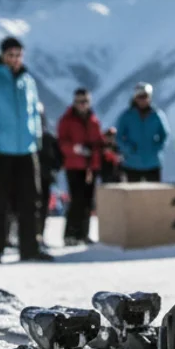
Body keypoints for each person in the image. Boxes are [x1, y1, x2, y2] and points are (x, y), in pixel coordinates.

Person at [0, 36, 51, 264]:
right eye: (10, 55)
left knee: (31, 200)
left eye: (18, 55)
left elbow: (35, 114)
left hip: (27, 150)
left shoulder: (28, 80)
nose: (15, 60)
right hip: (1, 150)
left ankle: (30, 247)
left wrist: (37, 141)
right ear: (2, 55)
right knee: (0, 201)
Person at [58, 88, 104, 245]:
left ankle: (83, 233)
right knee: (76, 200)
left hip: (91, 167)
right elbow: (61, 142)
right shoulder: (67, 120)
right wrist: (76, 149)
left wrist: (96, 153)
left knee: (88, 201)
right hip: (74, 165)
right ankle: (70, 234)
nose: (82, 105)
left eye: (85, 101)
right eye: (79, 101)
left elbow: (99, 141)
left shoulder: (93, 120)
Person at [116, 83, 169, 182]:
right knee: (133, 196)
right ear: (135, 98)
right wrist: (128, 149)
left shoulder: (157, 115)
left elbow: (165, 134)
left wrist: (156, 149)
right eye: (140, 97)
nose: (143, 100)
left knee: (154, 195)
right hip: (131, 164)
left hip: (153, 163)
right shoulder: (126, 116)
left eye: (145, 96)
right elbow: (119, 136)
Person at [37, 103, 63, 241]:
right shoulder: (25, 139)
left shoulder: (49, 138)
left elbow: (59, 157)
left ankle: (39, 235)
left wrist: (54, 169)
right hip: (26, 180)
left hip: (45, 178)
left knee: (42, 208)